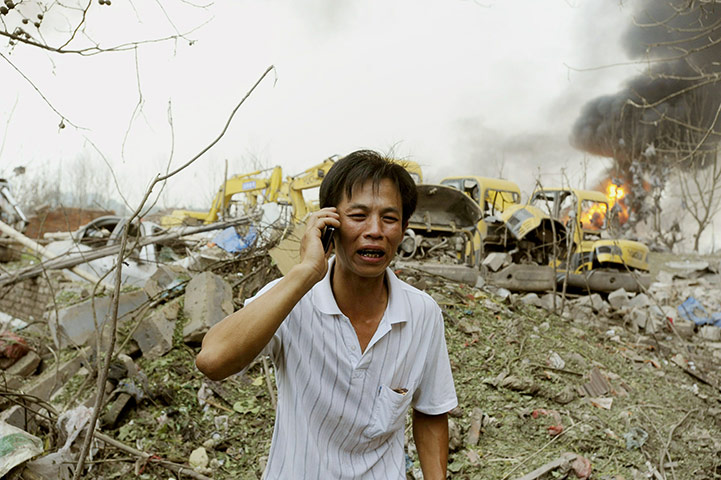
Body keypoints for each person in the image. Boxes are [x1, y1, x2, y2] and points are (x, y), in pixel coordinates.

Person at [196, 150, 457, 479]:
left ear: (403, 229)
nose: (375, 230)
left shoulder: (422, 314)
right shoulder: (291, 300)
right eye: (358, 216)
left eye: (389, 218)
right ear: (329, 224)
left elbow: (431, 412)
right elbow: (213, 360)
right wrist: (305, 271)